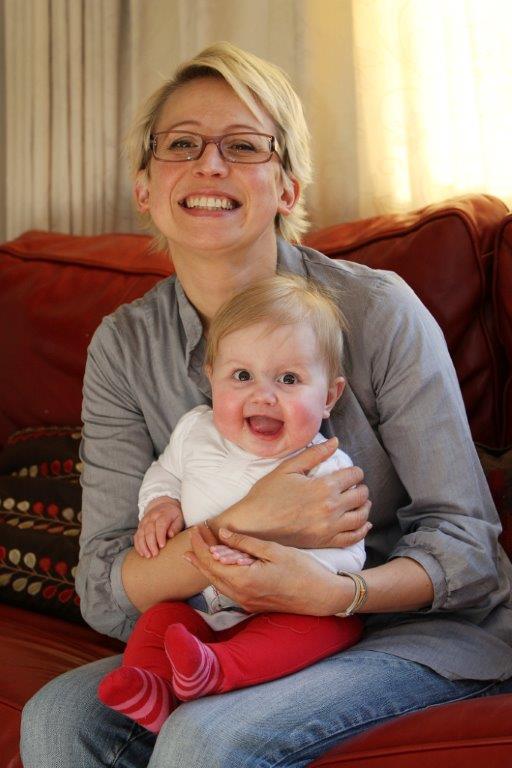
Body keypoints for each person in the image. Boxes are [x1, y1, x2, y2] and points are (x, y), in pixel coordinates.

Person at [21, 41, 512, 768]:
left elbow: (469, 546)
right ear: (144, 188)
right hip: (230, 630)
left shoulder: (377, 311)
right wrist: (245, 522)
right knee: (57, 718)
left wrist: (333, 594)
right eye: (180, 144)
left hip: (406, 627)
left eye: (244, 146)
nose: (209, 165)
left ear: (287, 187)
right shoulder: (124, 346)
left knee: (205, 738)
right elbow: (105, 587)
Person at [97, 274, 365, 732]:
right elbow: (166, 472)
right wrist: (161, 504)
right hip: (203, 602)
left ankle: (216, 671)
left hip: (287, 608)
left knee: (332, 629)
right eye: (241, 376)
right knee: (162, 620)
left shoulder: (325, 467)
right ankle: (152, 690)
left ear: (329, 397)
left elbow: (350, 548)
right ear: (211, 379)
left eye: (289, 378)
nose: (263, 394)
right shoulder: (195, 431)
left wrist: (288, 568)